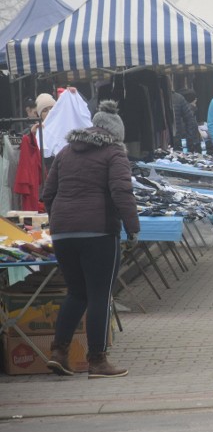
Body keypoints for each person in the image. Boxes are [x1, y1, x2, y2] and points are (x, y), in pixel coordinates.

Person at [41, 100, 140, 378]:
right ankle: (97, 360)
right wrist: (132, 226)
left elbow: (48, 194)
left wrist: (60, 221)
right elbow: (121, 192)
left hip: (62, 233)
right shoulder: (114, 154)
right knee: (99, 295)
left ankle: (59, 352)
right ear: (115, 134)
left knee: (76, 292)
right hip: (98, 233)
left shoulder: (64, 152)